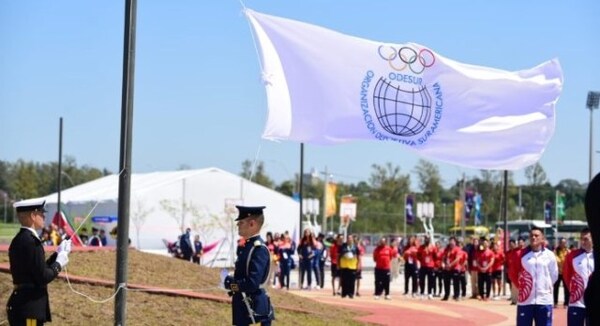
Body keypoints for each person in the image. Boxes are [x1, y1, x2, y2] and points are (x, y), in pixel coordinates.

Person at [6, 200, 71, 326]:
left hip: (24, 306)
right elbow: (43, 277)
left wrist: (58, 253)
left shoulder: (21, 238)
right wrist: (59, 264)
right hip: (29, 308)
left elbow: (37, 268)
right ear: (32, 216)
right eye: (41, 213)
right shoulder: (31, 242)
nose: (44, 216)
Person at [223, 206, 274, 326]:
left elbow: (252, 284)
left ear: (252, 224)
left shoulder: (258, 249)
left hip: (254, 307)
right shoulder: (247, 246)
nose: (238, 225)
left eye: (241, 222)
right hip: (244, 305)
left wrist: (231, 284)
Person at [515, 226, 558, 326]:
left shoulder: (550, 255)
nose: (533, 237)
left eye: (536, 235)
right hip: (525, 301)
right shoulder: (521, 254)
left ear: (542, 238)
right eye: (531, 236)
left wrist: (545, 286)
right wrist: (523, 288)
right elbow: (513, 273)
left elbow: (554, 275)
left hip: (544, 301)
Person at [563, 228, 594, 326]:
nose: (583, 242)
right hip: (577, 302)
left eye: (586, 239)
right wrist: (575, 290)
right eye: (581, 239)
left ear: (593, 239)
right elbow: (566, 275)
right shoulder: (572, 256)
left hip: (594, 303)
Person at [553, 237, 570, 308]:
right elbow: (555, 259)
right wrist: (561, 261)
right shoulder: (555, 251)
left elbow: (569, 260)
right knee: (556, 288)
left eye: (564, 243)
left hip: (566, 272)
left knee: (566, 288)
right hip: (558, 272)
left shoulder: (568, 251)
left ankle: (566, 303)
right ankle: (555, 302)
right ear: (559, 243)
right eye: (561, 242)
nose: (563, 244)